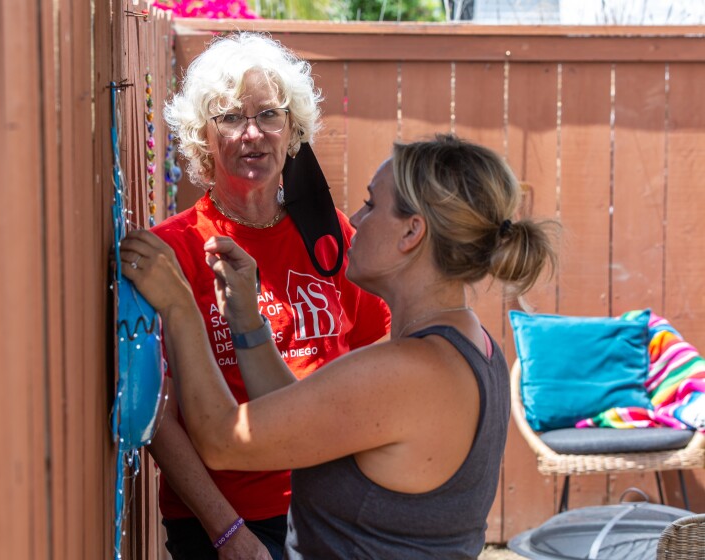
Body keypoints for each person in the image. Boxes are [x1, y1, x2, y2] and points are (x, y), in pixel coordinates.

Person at [121, 135, 558, 559]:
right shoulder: (471, 348)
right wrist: (247, 322)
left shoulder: (406, 372)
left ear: (411, 232)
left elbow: (222, 439)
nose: (356, 217)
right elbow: (299, 412)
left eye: (371, 204)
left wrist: (178, 306)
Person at [145, 32, 391, 559]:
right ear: (201, 138)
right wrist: (228, 534)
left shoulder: (331, 238)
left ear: (293, 129)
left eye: (269, 116)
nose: (253, 134)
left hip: (336, 508)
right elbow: (158, 414)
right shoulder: (177, 250)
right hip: (232, 522)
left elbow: (377, 354)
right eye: (231, 118)